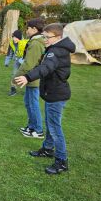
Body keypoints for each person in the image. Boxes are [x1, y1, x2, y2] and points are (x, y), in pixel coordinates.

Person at [14, 23, 76, 175]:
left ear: (58, 37)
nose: (45, 39)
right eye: (44, 36)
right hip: (53, 93)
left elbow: (45, 68)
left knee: (55, 127)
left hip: (56, 95)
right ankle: (48, 149)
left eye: (48, 37)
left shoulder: (56, 51)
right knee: (50, 123)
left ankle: (61, 161)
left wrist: (28, 77)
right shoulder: (56, 49)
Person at [14, 18, 46, 138]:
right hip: (31, 78)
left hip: (34, 78)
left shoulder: (36, 43)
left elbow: (29, 64)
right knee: (28, 102)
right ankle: (31, 126)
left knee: (33, 104)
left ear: (34, 29)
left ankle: (38, 130)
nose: (26, 30)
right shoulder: (35, 41)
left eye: (28, 28)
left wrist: (16, 77)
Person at [4, 30, 28, 96]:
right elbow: (10, 53)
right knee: (14, 74)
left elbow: (29, 54)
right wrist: (7, 62)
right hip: (17, 61)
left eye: (15, 37)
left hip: (25, 61)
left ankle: (29, 91)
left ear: (19, 38)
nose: (14, 39)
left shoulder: (26, 43)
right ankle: (13, 90)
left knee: (27, 75)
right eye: (13, 37)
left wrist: (23, 61)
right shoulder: (11, 43)